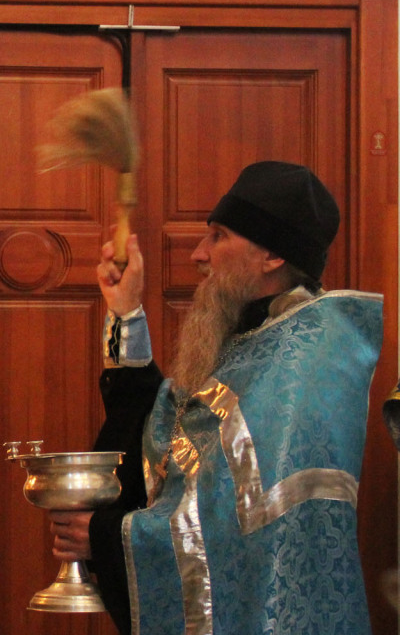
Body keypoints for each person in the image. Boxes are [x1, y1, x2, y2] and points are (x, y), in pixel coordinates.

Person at [50, 161, 383, 634]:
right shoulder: (258, 338)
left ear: (272, 254)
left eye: (219, 236)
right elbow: (167, 439)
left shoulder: (303, 362)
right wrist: (125, 311)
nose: (198, 254)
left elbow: (235, 525)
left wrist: (106, 537)